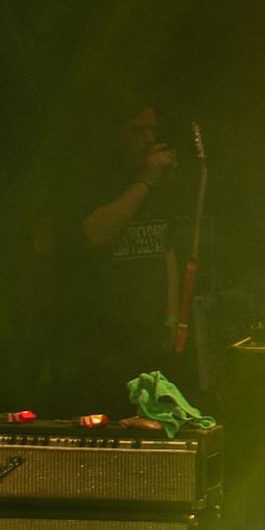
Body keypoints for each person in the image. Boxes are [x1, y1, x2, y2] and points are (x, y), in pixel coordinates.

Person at [66, 97, 199, 410]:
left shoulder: (160, 189)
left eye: (153, 130)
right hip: (103, 339)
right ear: (117, 134)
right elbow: (95, 234)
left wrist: (171, 319)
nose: (150, 139)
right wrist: (146, 181)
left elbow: (167, 254)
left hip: (150, 337)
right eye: (139, 131)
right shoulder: (97, 182)